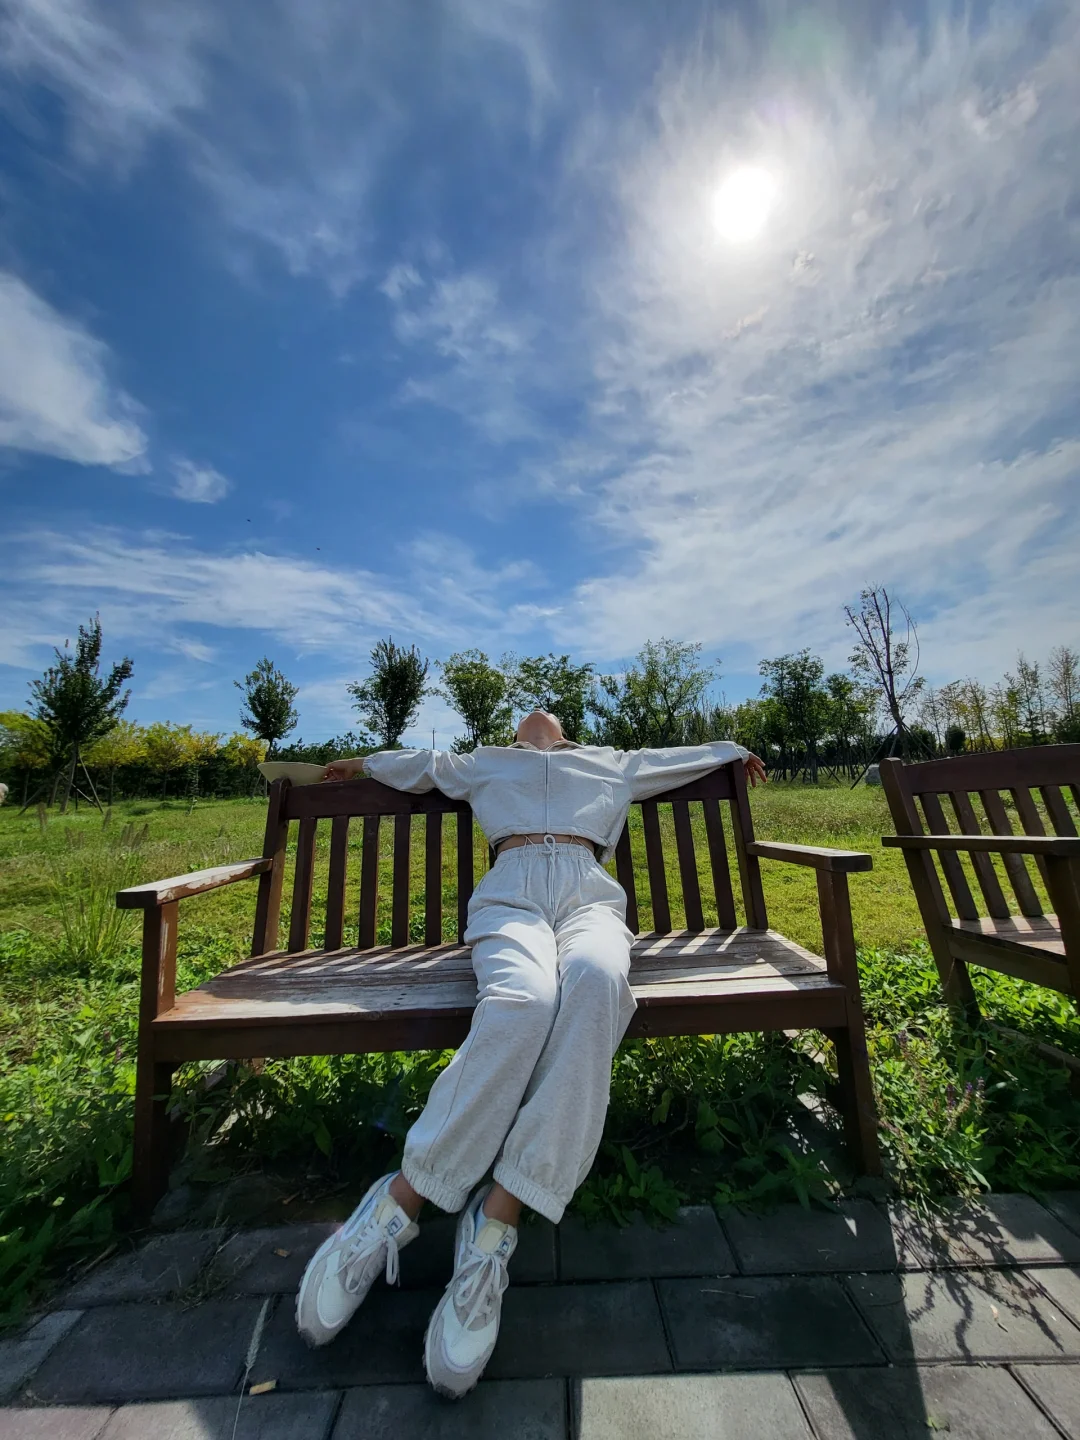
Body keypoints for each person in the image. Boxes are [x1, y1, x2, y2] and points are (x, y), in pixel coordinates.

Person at [295, 711, 766, 1396]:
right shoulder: (484, 761)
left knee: (600, 983)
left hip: (588, 895)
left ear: (567, 731)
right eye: (528, 716)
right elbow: (422, 765)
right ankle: (397, 1205)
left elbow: (680, 756)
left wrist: (734, 751)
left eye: (550, 716)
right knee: (522, 1005)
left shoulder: (613, 760)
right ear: (516, 733)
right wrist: (364, 764)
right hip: (511, 894)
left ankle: (497, 1219)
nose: (538, 715)